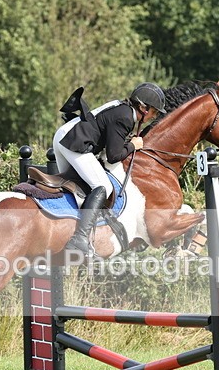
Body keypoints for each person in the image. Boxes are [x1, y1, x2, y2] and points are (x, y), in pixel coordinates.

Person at [53, 82, 167, 255]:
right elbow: (114, 156)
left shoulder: (121, 108)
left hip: (66, 136)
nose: (154, 115)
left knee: (76, 188)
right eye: (155, 111)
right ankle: (80, 238)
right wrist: (133, 146)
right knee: (103, 187)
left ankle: (64, 231)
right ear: (144, 108)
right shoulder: (126, 117)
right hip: (73, 142)